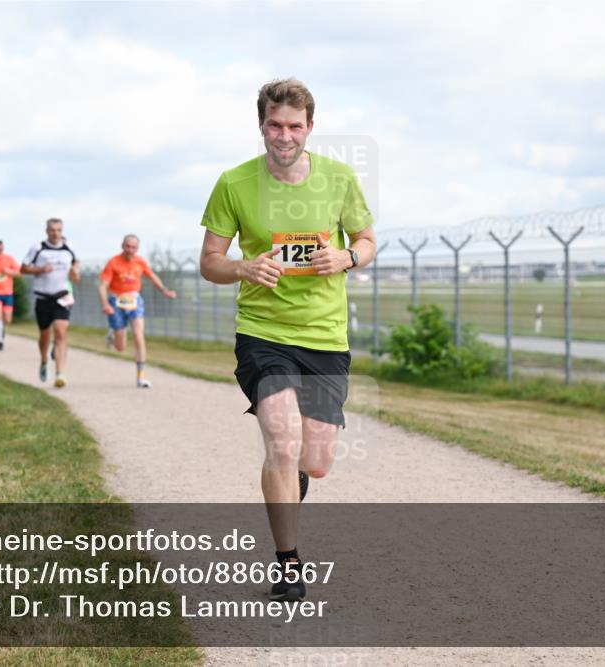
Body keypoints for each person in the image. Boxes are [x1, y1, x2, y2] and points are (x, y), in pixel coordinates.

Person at [199, 78, 376, 602]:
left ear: (310, 128)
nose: (284, 135)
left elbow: (366, 240)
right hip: (263, 333)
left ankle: (291, 479)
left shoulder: (340, 179)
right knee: (280, 435)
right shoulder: (234, 183)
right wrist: (243, 268)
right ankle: (288, 563)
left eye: (295, 126)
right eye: (275, 125)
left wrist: (347, 257)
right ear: (261, 125)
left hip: (324, 335)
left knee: (314, 460)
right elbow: (210, 262)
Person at [98, 235, 177, 387]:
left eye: (133, 247)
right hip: (116, 302)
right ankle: (113, 334)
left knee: (138, 336)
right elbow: (102, 286)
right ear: (122, 246)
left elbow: (152, 276)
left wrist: (164, 290)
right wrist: (105, 304)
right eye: (128, 246)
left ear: (137, 249)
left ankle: (140, 377)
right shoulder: (113, 262)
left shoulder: (140, 262)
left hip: (135, 301)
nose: (130, 250)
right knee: (120, 348)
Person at [21, 218, 80, 388]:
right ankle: (44, 360)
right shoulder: (38, 249)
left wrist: (75, 273)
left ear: (62, 231)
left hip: (62, 296)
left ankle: (60, 373)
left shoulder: (69, 249)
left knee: (61, 332)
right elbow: (23, 268)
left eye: (59, 230)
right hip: (43, 297)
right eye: (52, 230)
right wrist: (40, 269)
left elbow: (76, 272)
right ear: (47, 231)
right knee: (45, 335)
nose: (56, 233)